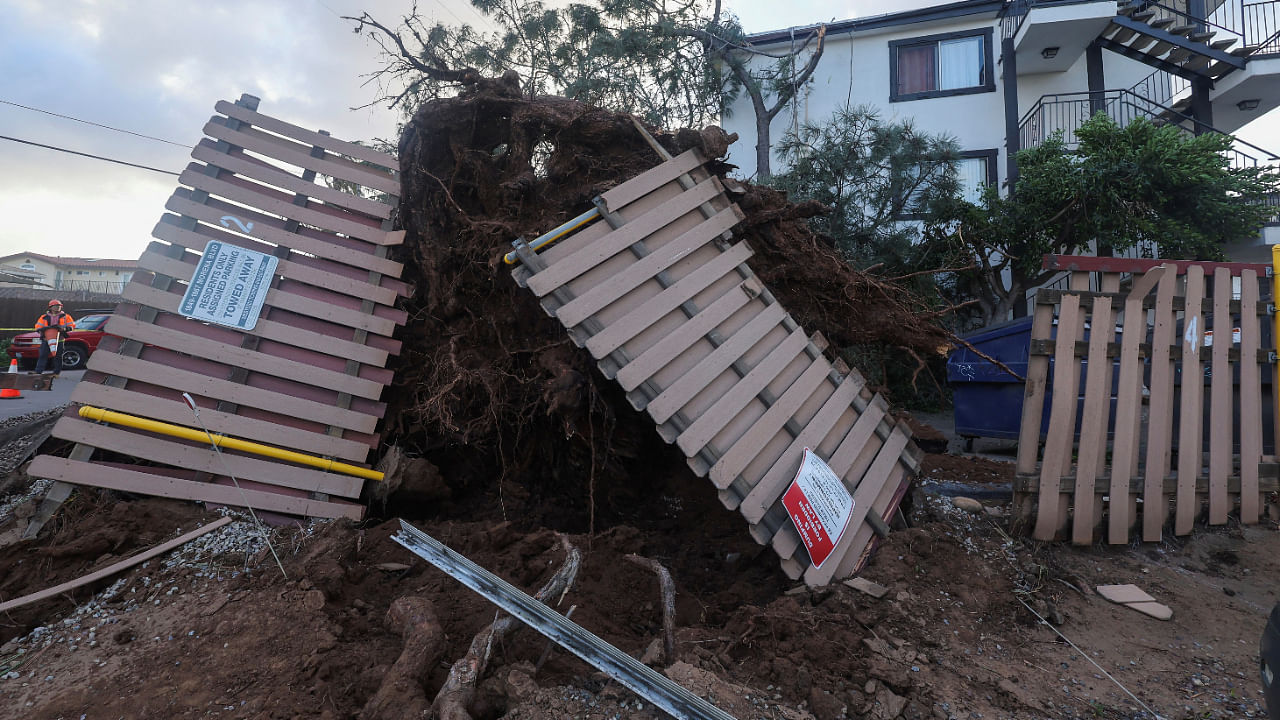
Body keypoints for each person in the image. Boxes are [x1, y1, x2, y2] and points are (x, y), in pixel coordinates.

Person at [34, 300, 75, 375]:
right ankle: (38, 372)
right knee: (43, 355)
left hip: (59, 340)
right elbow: (37, 327)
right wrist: (41, 330)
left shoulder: (66, 317)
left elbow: (71, 326)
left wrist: (64, 329)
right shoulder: (44, 317)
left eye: (59, 306)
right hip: (46, 339)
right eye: (56, 306)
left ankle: (56, 372)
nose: (58, 307)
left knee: (58, 356)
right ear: (51, 307)